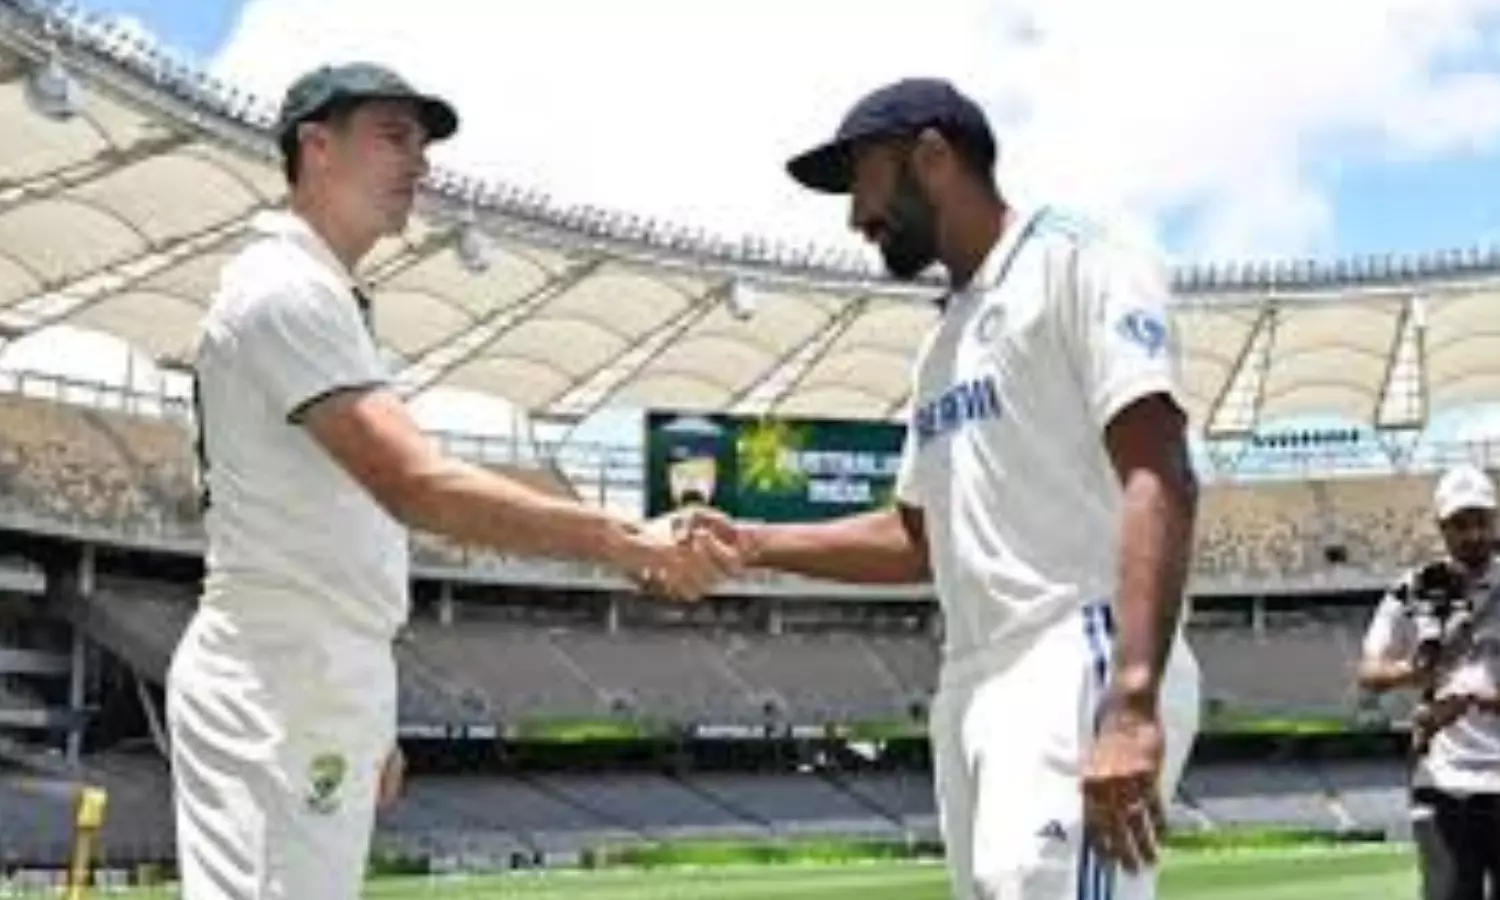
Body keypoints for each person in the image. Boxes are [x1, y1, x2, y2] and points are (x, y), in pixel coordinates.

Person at [166, 61, 738, 900]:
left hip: (316, 671)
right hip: (280, 675)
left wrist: (368, 712)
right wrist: (627, 541)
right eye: (394, 137)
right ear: (315, 147)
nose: (421, 164)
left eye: (422, 144)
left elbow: (349, 524)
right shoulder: (285, 289)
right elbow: (416, 487)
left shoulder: (319, 292)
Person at [678, 78, 1202, 900]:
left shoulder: (1078, 258)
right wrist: (752, 543)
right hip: (972, 676)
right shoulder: (942, 345)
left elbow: (1160, 467)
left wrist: (1132, 701)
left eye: (864, 181)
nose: (856, 216)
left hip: (1076, 643)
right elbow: (921, 537)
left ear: (931, 157)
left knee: (1035, 885)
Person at [1357, 463, 1500, 900]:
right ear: (1441, 527)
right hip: (1443, 781)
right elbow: (1369, 673)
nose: (1473, 534)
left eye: (1481, 521)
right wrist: (1420, 673)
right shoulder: (1414, 588)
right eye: (1460, 524)